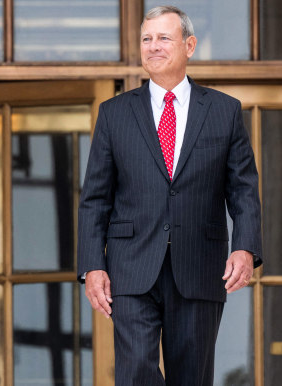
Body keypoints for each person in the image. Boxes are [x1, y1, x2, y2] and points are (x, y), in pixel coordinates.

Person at [78, 6, 262, 385]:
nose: (153, 46)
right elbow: (95, 198)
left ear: (189, 45)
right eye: (147, 39)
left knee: (192, 377)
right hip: (130, 270)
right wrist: (92, 265)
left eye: (164, 38)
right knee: (135, 373)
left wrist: (245, 247)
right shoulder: (113, 114)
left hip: (199, 265)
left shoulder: (224, 112)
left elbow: (243, 189)